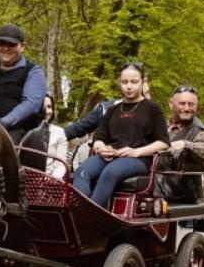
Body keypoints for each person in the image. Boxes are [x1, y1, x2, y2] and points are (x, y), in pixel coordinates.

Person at [70, 62, 170, 210]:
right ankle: (82, 213)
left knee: (110, 172)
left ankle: (88, 216)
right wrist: (101, 148)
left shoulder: (152, 109)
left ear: (143, 82)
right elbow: (99, 137)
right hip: (109, 156)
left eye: (134, 82)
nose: (129, 86)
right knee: (82, 171)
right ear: (119, 82)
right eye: (125, 82)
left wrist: (136, 151)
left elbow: (164, 142)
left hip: (138, 159)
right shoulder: (112, 110)